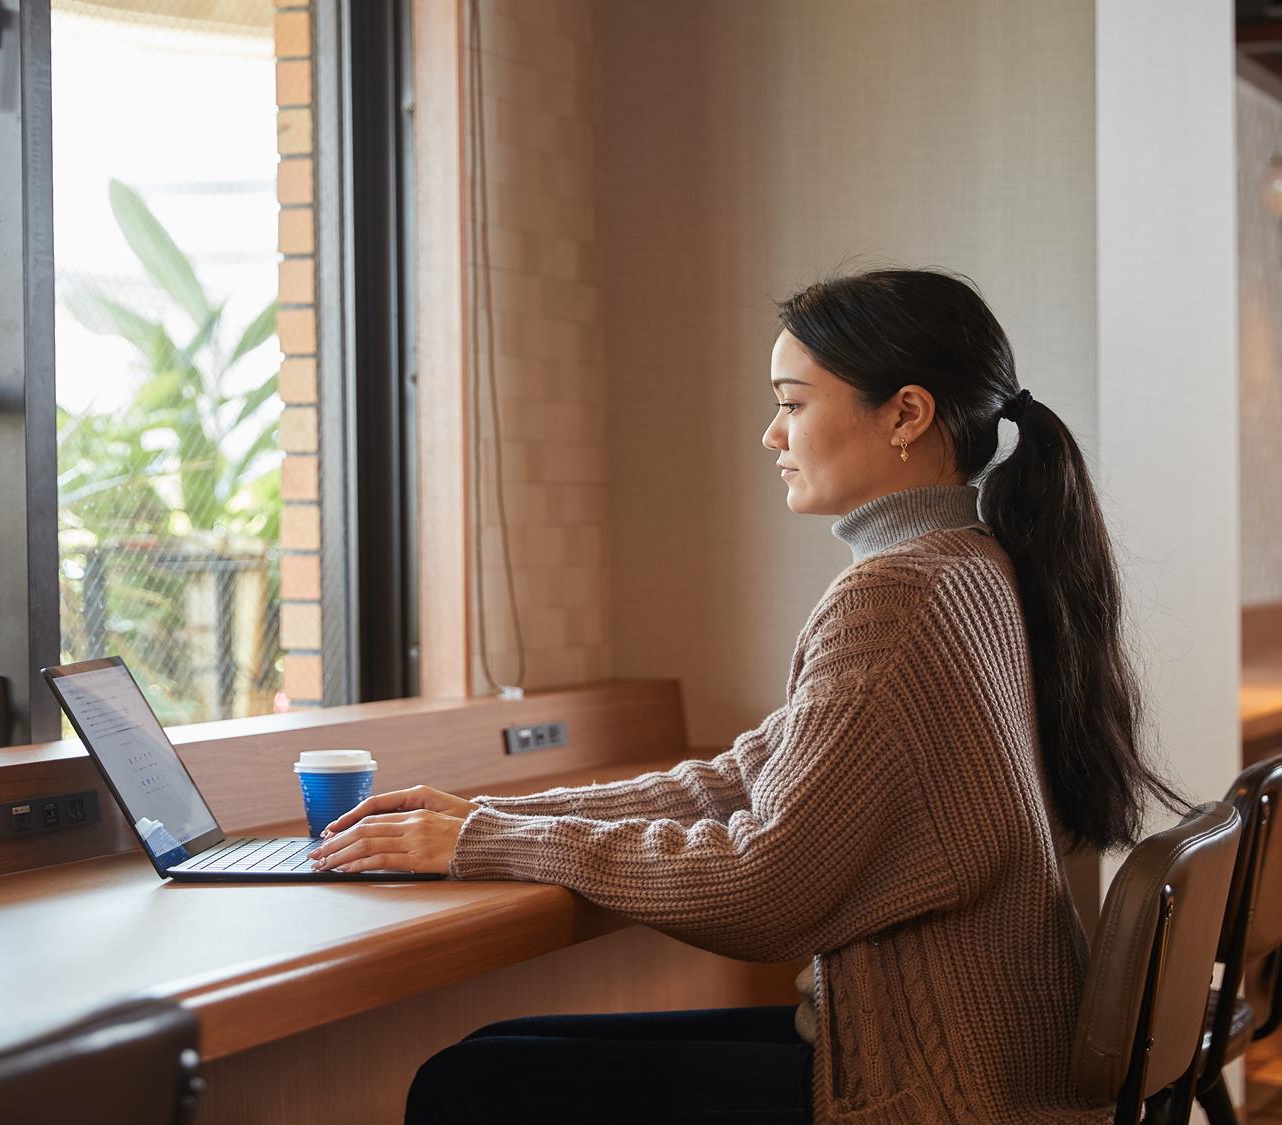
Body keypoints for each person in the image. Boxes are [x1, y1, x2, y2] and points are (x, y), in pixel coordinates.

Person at [306, 268, 1180, 1123]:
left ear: (907, 414)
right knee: (489, 1059)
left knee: (469, 1086)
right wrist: (484, 819)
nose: (772, 435)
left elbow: (762, 888)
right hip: (966, 1057)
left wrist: (493, 839)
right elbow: (739, 780)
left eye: (793, 403)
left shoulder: (900, 597)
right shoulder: (971, 567)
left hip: (931, 1090)